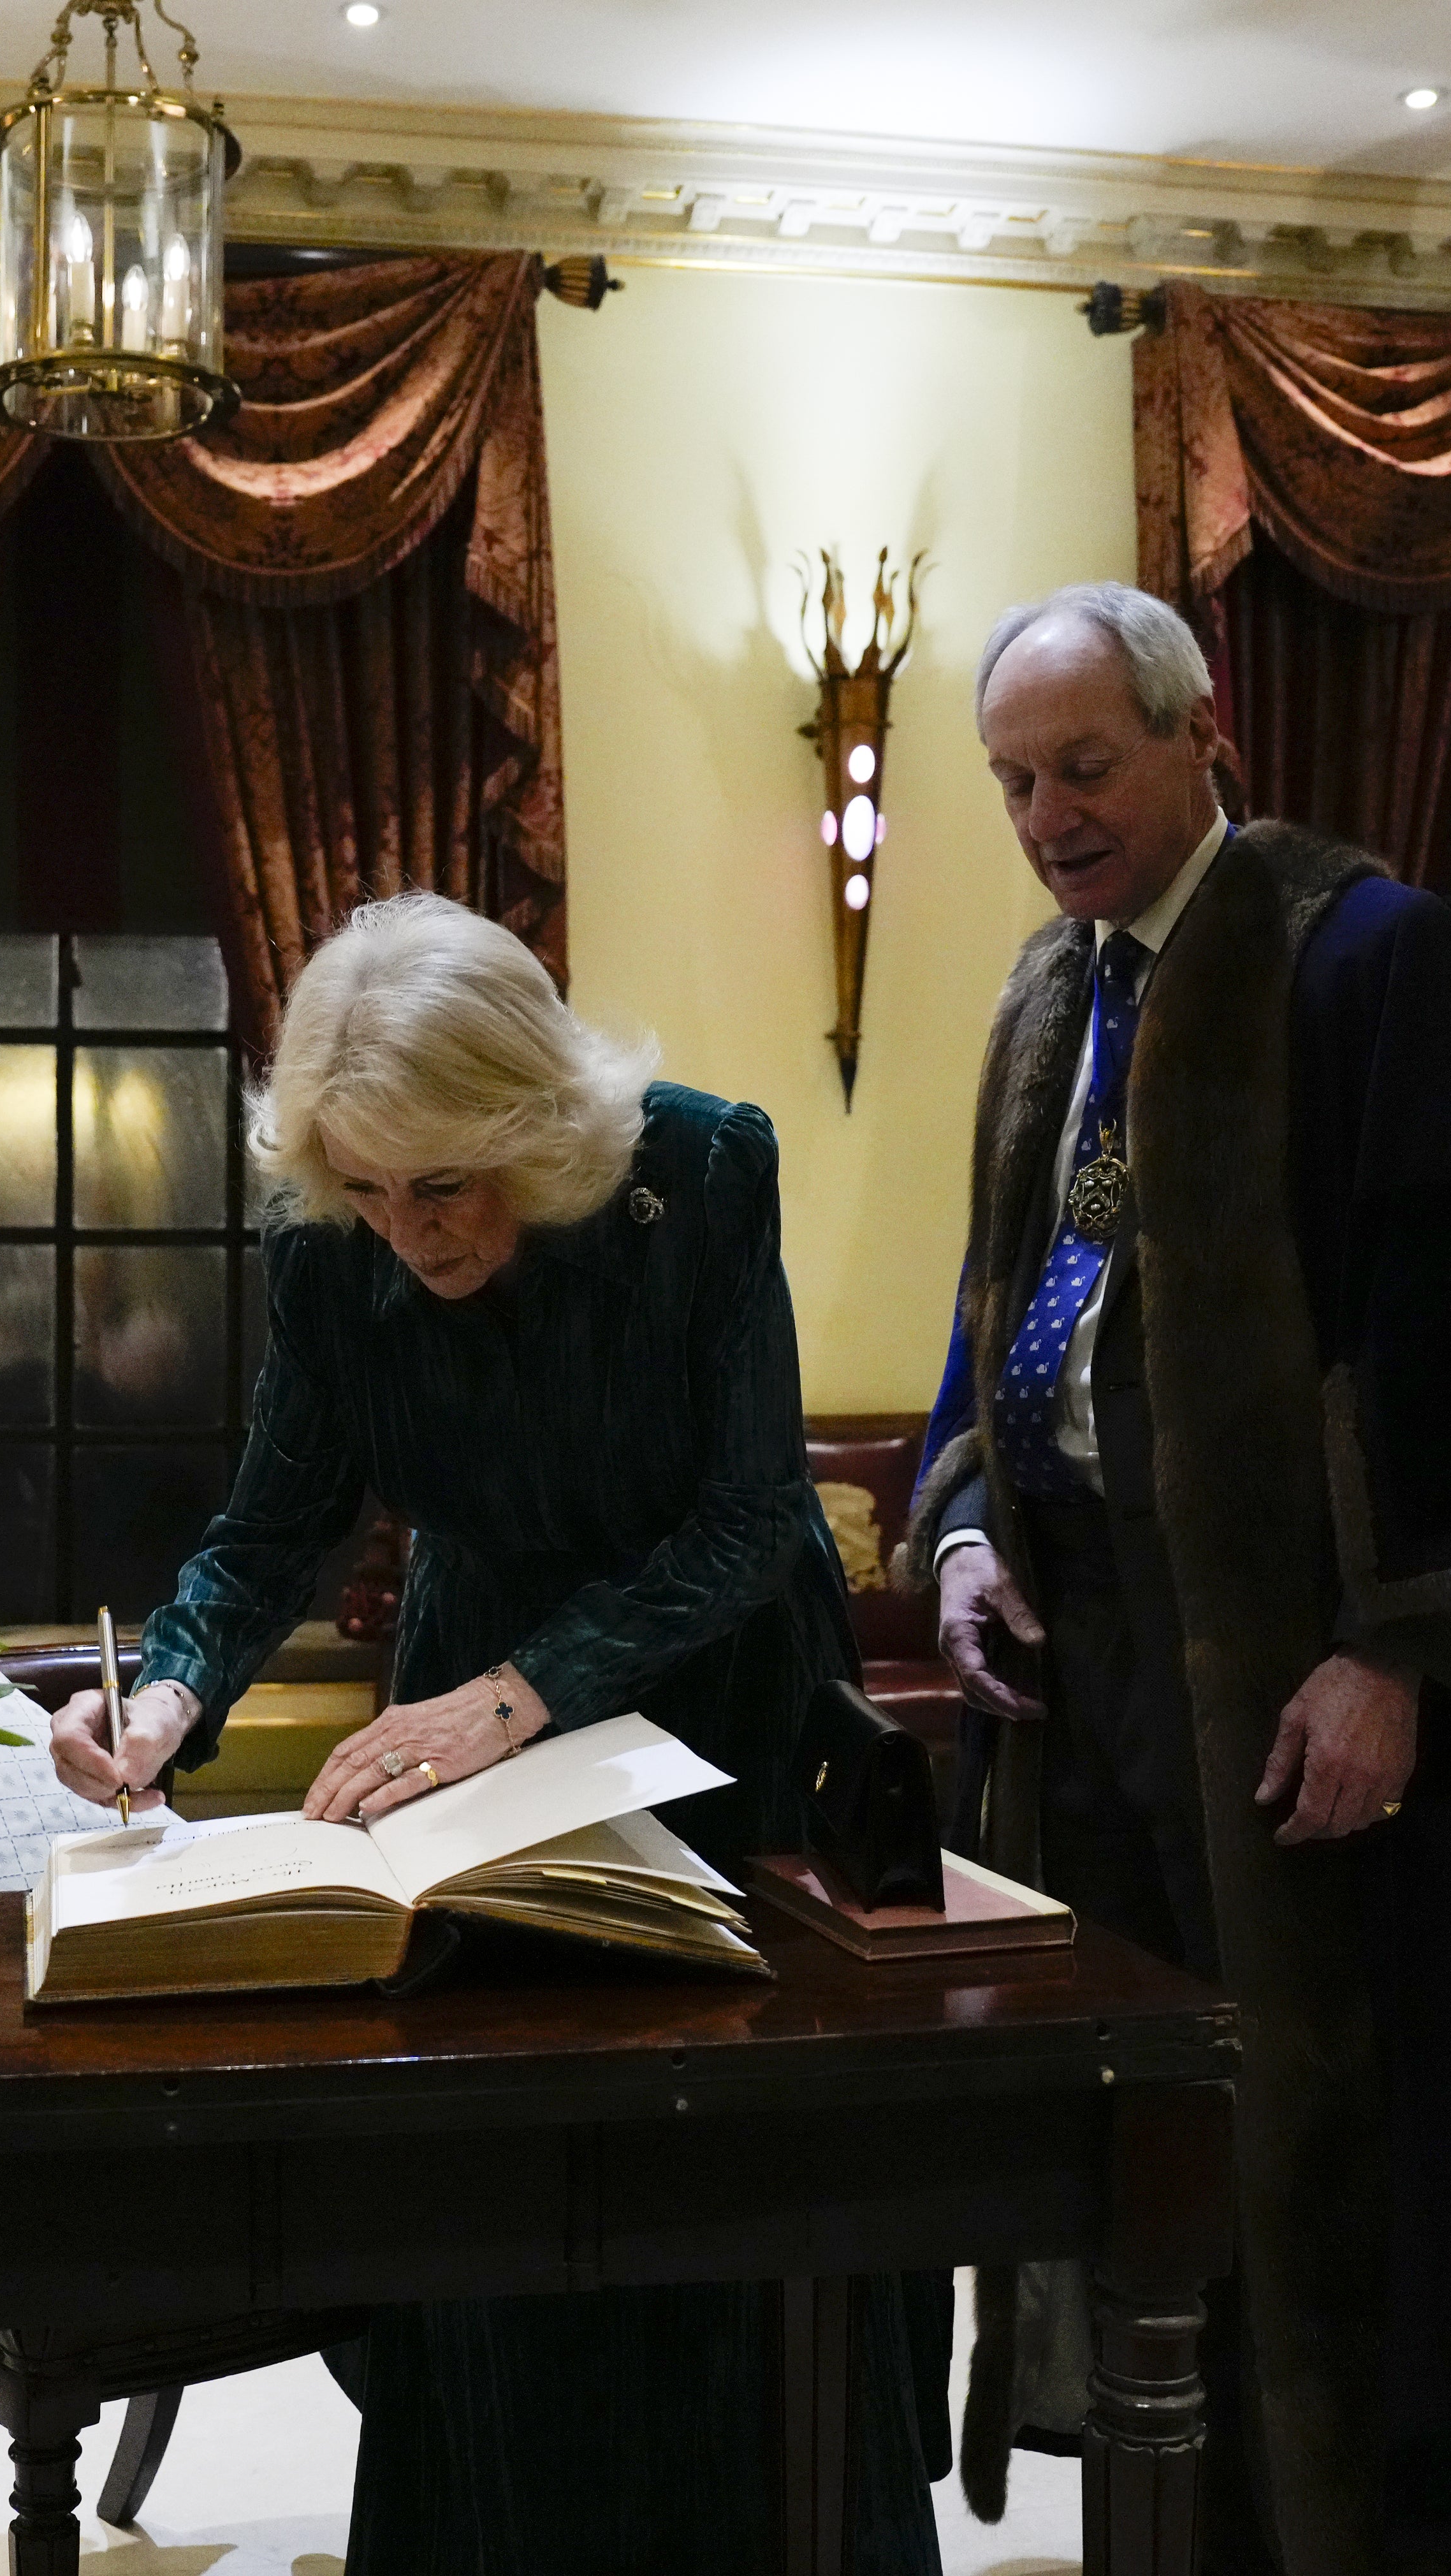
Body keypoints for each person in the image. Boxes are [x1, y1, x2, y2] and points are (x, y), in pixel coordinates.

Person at [50, 888, 943, 2575]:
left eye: (442, 1187)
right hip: (473, 1713)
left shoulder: (700, 1172)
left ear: (539, 1126)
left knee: (730, 2177)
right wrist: (164, 1695)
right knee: (492, 2152)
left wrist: (526, 1687)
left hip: (718, 1697)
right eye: (367, 1191)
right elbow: (273, 1525)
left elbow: (756, 1521)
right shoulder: (328, 1237)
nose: (408, 1232)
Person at [907, 583, 1451, 2576]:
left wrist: (1391, 1648)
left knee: (1351, 2173)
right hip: (1098, 1666)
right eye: (1013, 781)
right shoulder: (1043, 999)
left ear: (1198, 730)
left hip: (1299, 1673)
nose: (1049, 813)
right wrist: (966, 1522)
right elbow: (1005, 1315)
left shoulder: (1360, 957)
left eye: (1084, 765)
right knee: (1156, 2139)